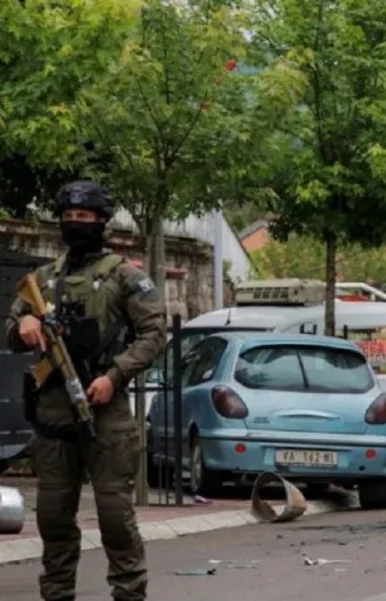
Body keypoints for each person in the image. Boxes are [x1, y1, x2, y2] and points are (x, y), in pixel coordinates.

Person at [6, 181, 166, 601]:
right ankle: (57, 593)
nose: (75, 224)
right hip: (54, 414)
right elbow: (12, 331)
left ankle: (129, 593)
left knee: (115, 515)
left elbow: (154, 334)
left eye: (85, 218)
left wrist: (115, 375)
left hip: (106, 410)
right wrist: (23, 327)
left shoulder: (124, 275)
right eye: (69, 218)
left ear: (101, 221)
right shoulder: (43, 279)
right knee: (54, 517)